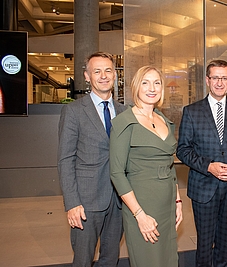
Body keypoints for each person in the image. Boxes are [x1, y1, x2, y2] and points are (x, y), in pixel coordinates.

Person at [176, 59, 227, 267]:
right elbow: (183, 150)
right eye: (215, 78)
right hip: (204, 187)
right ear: (207, 80)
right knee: (204, 243)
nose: (220, 82)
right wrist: (208, 166)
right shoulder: (192, 111)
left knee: (225, 241)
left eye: (224, 78)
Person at [109, 66, 183, 267]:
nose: (152, 88)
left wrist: (177, 201)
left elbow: (169, 164)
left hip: (167, 204)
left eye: (157, 83)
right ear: (136, 87)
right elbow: (116, 173)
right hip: (142, 205)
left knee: (168, 259)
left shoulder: (164, 121)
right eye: (145, 82)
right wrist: (139, 215)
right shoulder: (125, 122)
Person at [57, 51, 126, 266]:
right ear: (87, 76)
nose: (103, 76)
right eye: (97, 71)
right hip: (86, 202)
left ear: (115, 75)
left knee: (110, 258)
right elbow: (65, 159)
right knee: (83, 260)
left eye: (108, 70)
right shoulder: (74, 111)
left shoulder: (126, 112)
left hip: (118, 200)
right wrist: (72, 203)